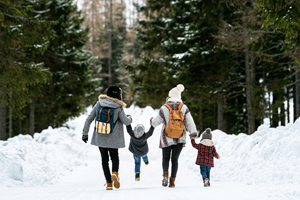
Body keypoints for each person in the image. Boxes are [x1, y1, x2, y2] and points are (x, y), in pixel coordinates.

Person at [82, 85, 132, 190]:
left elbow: (89, 118)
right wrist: (130, 118)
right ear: (118, 95)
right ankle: (115, 173)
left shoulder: (99, 103)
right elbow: (126, 121)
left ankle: (109, 183)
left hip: (100, 137)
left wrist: (85, 133)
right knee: (114, 157)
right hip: (114, 139)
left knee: (104, 159)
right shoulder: (118, 107)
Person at [151, 84, 198, 188]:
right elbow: (190, 121)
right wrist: (193, 133)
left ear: (170, 96)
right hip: (180, 137)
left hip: (166, 137)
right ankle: (172, 181)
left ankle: (165, 176)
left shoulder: (164, 107)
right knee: (175, 159)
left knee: (165, 158)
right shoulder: (183, 107)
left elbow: (155, 122)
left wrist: (151, 121)